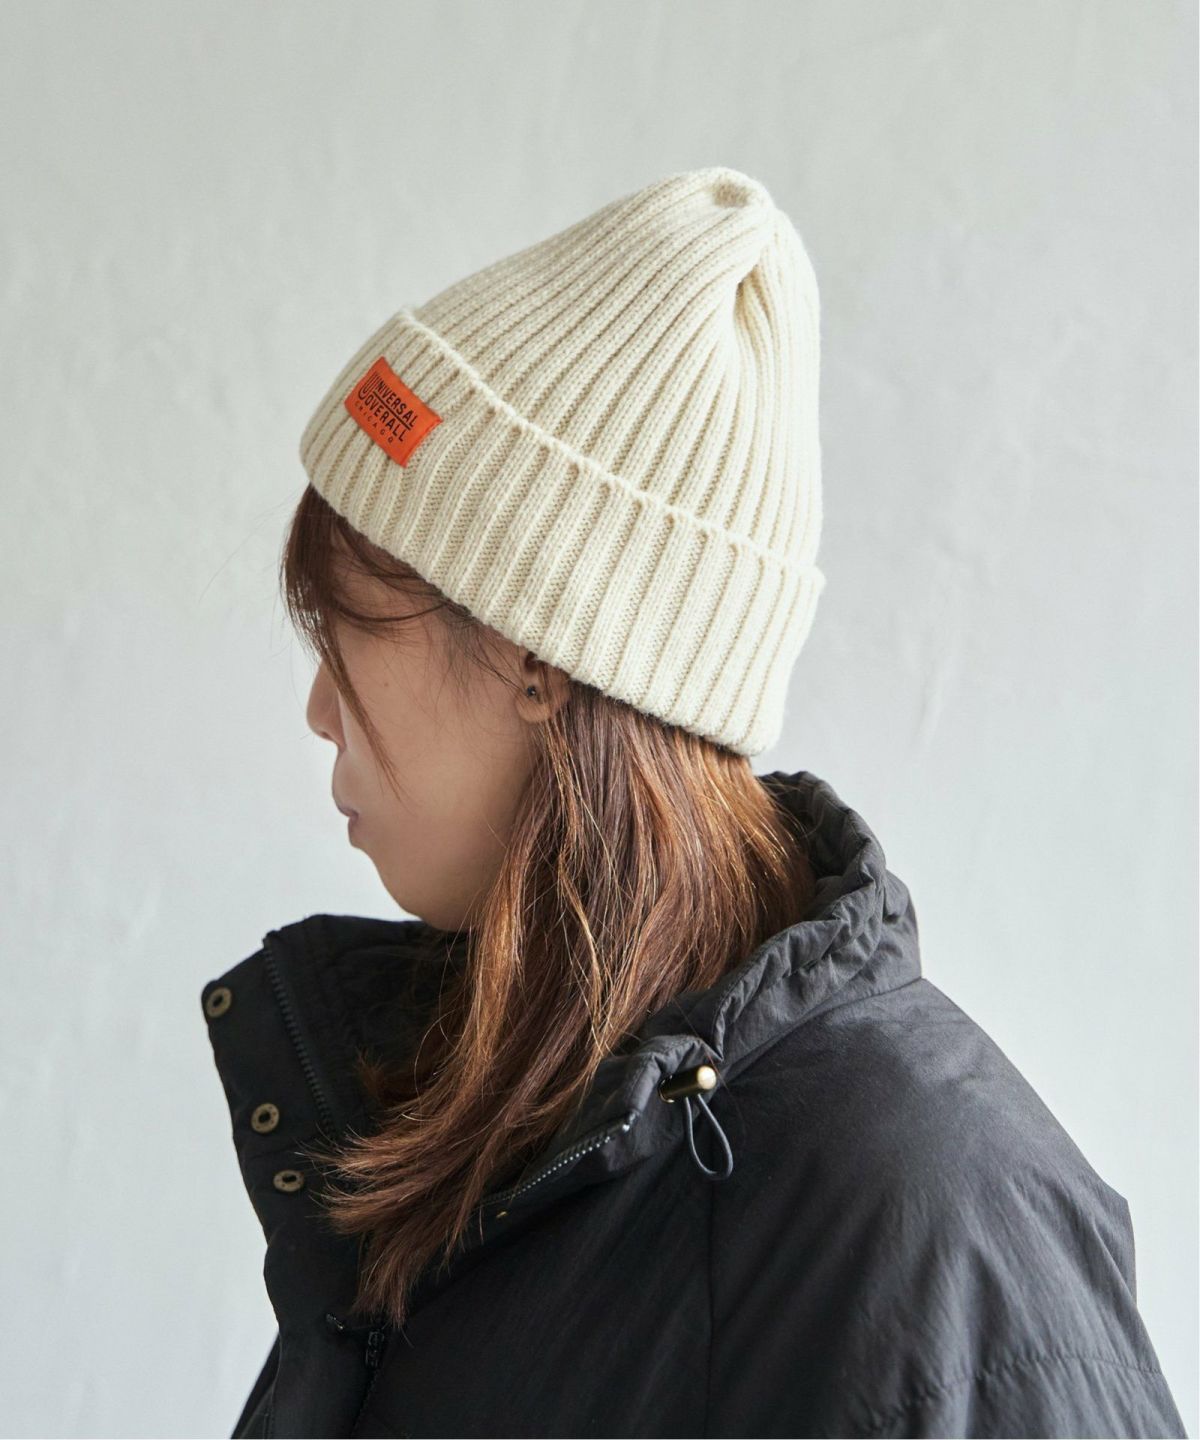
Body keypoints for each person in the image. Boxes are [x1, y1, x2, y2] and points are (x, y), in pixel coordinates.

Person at [201, 166, 1185, 1438]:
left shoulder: (937, 1218)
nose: (318, 708)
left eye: (348, 630)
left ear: (537, 655)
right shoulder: (508, 1115)